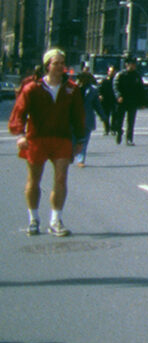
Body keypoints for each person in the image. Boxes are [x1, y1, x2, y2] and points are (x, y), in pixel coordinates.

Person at [11, 49, 85, 237]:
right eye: (56, 63)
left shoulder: (71, 89)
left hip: (61, 138)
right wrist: (20, 135)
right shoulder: (32, 88)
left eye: (62, 63)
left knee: (61, 178)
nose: (60, 67)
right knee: (34, 180)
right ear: (47, 66)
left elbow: (78, 116)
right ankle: (33, 218)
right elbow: (19, 113)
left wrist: (80, 139)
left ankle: (55, 221)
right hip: (37, 139)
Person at [114, 58, 146, 145]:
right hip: (122, 101)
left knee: (131, 121)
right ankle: (119, 132)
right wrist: (118, 96)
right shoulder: (120, 75)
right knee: (119, 120)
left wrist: (142, 102)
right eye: (131, 64)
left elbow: (141, 89)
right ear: (126, 65)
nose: (133, 66)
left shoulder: (137, 75)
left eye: (134, 65)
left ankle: (129, 139)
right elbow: (116, 87)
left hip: (132, 101)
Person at [74, 72, 99, 167]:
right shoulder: (72, 89)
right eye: (80, 79)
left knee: (84, 141)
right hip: (74, 119)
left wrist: (104, 117)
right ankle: (73, 154)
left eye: (84, 78)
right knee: (74, 139)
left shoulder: (93, 90)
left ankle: (81, 159)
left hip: (87, 119)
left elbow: (97, 105)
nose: (82, 81)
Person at [97, 64, 118, 140]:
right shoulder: (104, 80)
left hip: (114, 100)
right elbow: (99, 89)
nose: (111, 73)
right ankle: (106, 129)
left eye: (113, 71)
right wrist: (100, 95)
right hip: (106, 100)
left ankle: (113, 129)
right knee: (106, 115)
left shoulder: (116, 80)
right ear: (108, 72)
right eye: (110, 71)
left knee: (115, 115)